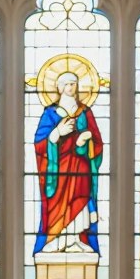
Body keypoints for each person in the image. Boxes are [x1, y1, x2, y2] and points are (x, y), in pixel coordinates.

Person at [33, 71, 103, 255]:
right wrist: (57, 133)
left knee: (79, 198)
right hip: (58, 168)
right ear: (58, 87)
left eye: (73, 84)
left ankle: (77, 239)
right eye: (66, 84)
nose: (70, 88)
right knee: (58, 201)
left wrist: (86, 138)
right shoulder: (50, 112)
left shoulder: (85, 112)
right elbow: (39, 142)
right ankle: (57, 239)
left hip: (81, 166)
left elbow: (97, 141)